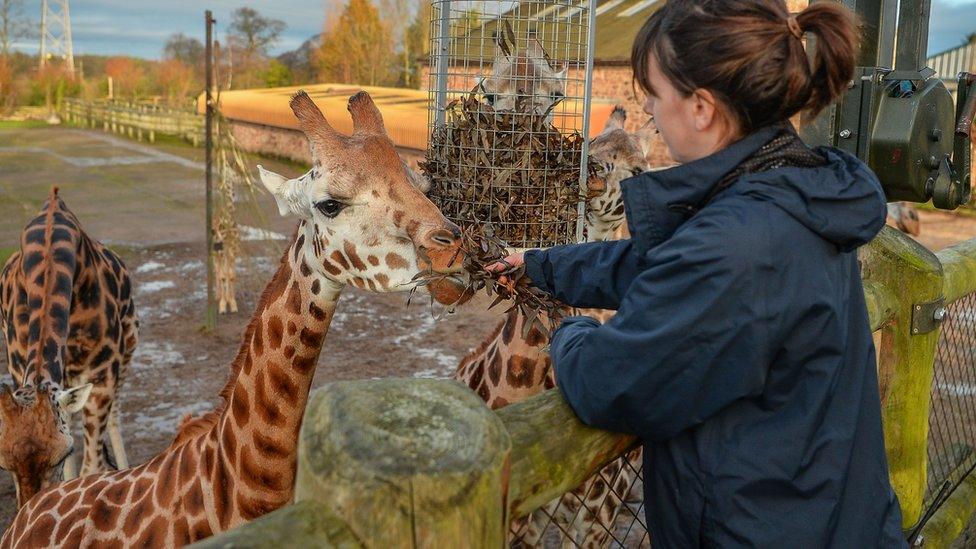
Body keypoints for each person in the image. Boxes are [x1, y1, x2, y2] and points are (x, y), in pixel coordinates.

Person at [489, 0, 907, 546]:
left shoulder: (737, 240)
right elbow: (666, 263)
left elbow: (611, 385)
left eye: (655, 95)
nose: (649, 110)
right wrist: (543, 265)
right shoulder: (791, 192)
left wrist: (570, 330)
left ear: (702, 108)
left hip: (760, 528)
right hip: (830, 513)